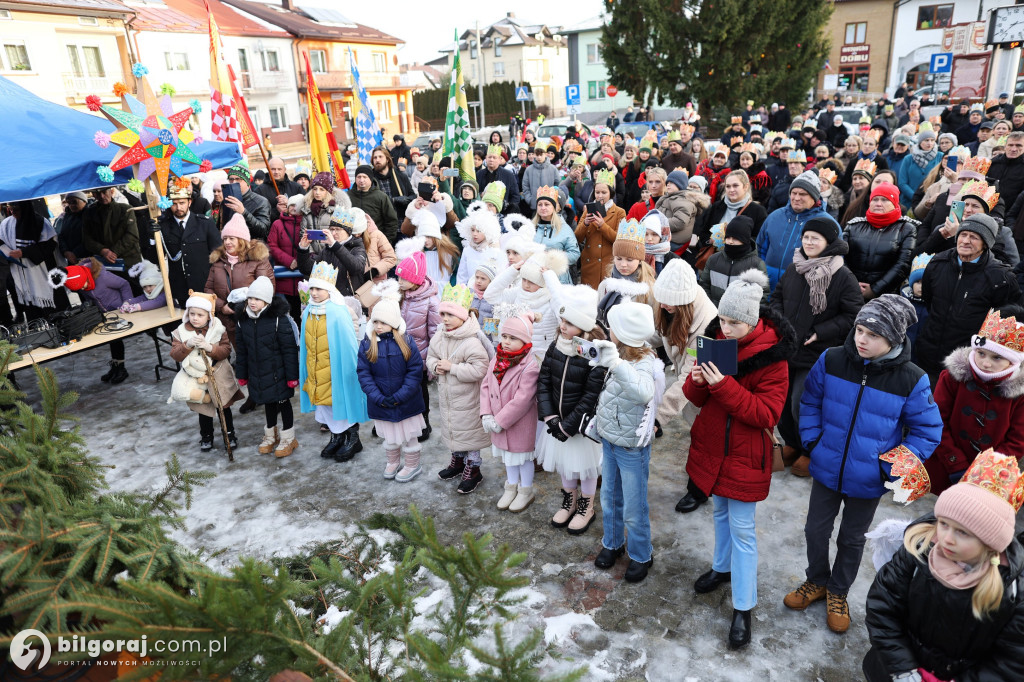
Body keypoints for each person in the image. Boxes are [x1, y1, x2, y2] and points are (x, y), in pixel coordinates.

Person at [786, 295, 942, 633]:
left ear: (894, 340)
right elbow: (809, 400)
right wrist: (813, 441)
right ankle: (817, 580)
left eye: (873, 334)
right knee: (815, 529)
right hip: (827, 468)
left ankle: (838, 591)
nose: (862, 339)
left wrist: (888, 467)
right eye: (860, 330)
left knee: (852, 539)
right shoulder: (831, 359)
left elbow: (928, 430)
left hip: (869, 479)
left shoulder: (911, 379)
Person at [684, 271, 792, 648]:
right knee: (718, 512)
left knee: (743, 529)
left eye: (733, 322)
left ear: (753, 320)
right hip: (714, 447)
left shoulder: (773, 358)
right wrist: (696, 381)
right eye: (722, 320)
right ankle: (721, 568)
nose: (724, 329)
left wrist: (723, 386)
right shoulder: (716, 340)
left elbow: (766, 415)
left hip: (746, 455)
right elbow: (697, 399)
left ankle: (743, 607)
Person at [863, 449, 1024, 682]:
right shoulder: (918, 552)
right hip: (893, 670)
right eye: (944, 524)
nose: (947, 538)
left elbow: (1011, 661)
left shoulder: (1011, 590)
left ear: (990, 541)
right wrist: (903, 669)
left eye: (962, 532)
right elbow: (882, 607)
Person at [768, 216, 862, 476]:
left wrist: (820, 333)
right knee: (783, 401)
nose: (808, 242)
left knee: (803, 403)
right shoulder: (795, 267)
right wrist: (779, 323)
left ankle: (811, 451)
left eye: (815, 238)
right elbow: (777, 297)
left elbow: (853, 315)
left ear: (829, 243)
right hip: (787, 346)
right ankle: (792, 443)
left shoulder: (842, 275)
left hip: (816, 352)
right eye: (806, 237)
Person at [591, 300, 662, 584]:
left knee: (634, 506)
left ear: (624, 333)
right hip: (609, 439)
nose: (608, 331)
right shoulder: (616, 353)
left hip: (631, 447)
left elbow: (643, 393)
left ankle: (641, 553)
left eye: (612, 328)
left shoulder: (645, 362)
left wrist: (617, 364)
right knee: (609, 497)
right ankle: (612, 542)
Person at [926, 307, 1024, 494]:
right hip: (945, 464)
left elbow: (1018, 440)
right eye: (981, 353)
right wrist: (956, 463)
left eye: (997, 357)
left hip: (988, 476)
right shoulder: (952, 377)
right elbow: (935, 422)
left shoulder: (1019, 393)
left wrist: (983, 473)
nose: (986, 363)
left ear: (1013, 361)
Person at [916, 212, 1022, 384]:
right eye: (963, 234)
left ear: (986, 243)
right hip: (927, 354)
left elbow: (1006, 321)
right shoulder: (937, 263)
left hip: (967, 364)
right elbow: (930, 302)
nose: (965, 241)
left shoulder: (1000, 278)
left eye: (973, 237)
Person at [536, 283, 607, 532]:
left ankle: (586, 506)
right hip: (558, 420)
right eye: (562, 320)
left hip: (580, 425)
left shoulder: (595, 354)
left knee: (585, 469)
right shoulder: (556, 344)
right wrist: (550, 416)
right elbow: (543, 381)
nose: (563, 326)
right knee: (565, 464)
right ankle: (569, 501)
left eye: (570, 322)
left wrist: (569, 425)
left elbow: (591, 396)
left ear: (585, 326)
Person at [649, 258, 719, 510]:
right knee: (698, 434)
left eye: (669, 301)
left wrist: (658, 417)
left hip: (708, 388)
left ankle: (699, 490)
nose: (664, 304)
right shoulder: (669, 307)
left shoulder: (706, 323)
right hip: (690, 382)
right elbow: (656, 334)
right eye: (662, 299)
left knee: (705, 438)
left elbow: (688, 378)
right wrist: (629, 337)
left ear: (685, 301)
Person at [357, 282, 427, 481]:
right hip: (381, 402)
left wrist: (400, 396)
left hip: (406, 401)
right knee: (390, 436)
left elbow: (414, 372)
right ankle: (393, 461)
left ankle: (413, 464)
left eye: (384, 322)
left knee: (409, 435)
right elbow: (363, 373)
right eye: (376, 321)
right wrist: (378, 397)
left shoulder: (407, 342)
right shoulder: (367, 344)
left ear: (394, 323)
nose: (379, 326)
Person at [428, 284, 494, 493]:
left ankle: (473, 468)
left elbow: (480, 369)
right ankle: (458, 460)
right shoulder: (440, 335)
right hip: (449, 398)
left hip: (468, 400)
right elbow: (430, 356)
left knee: (469, 433)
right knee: (453, 429)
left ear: (463, 316)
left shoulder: (471, 340)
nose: (445, 319)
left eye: (450, 314)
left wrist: (453, 368)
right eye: (443, 314)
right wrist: (434, 366)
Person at [300, 261, 367, 461]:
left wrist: (350, 369)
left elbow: (347, 343)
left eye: (319, 288)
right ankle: (337, 436)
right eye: (312, 288)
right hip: (316, 367)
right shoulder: (309, 311)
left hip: (335, 368)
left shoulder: (338, 311)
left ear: (329, 289)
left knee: (340, 401)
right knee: (324, 404)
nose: (314, 293)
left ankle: (352, 438)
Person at [232, 276, 300, 458]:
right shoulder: (243, 320)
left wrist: (293, 376)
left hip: (279, 373)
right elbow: (242, 351)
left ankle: (288, 437)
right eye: (251, 298)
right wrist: (242, 373)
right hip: (258, 373)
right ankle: (271, 435)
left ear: (267, 301)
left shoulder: (279, 320)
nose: (253, 302)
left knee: (283, 403)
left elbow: (289, 350)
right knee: (267, 403)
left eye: (258, 299)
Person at [481, 313, 542, 512]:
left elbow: (523, 399)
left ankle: (525, 490)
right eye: (504, 336)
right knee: (508, 458)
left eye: (513, 338)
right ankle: (511, 486)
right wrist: (487, 413)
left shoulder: (529, 365)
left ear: (525, 340)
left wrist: (500, 420)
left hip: (518, 423)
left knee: (521, 458)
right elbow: (486, 386)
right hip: (497, 420)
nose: (506, 342)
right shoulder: (497, 359)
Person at [168, 291, 242, 452]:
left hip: (218, 373)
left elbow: (225, 351)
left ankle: (229, 434)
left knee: (223, 406)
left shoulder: (218, 329)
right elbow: (175, 355)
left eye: (200, 315)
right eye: (192, 314)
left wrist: (210, 348)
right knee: (203, 408)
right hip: (197, 377)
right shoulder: (181, 332)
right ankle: (206, 435)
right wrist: (187, 345)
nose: (195, 318)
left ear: (208, 315)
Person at [50, 258, 133, 383]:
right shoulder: (81, 282)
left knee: (117, 339)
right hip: (105, 315)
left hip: (120, 310)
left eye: (84, 285)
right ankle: (116, 366)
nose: (84, 288)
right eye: (81, 288)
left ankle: (121, 368)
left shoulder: (103, 277)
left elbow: (124, 284)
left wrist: (128, 303)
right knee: (113, 339)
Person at [757, 170, 840, 291]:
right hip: (768, 287)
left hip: (802, 290)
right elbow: (760, 249)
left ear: (814, 196)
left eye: (803, 194)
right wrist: (763, 272)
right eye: (793, 193)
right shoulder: (774, 217)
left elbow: (834, 261)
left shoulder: (827, 223)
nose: (796, 198)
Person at [205, 214, 275, 349]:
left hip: (253, 319)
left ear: (242, 240)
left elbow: (268, 289)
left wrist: (248, 307)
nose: (227, 242)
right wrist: (221, 306)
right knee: (240, 354)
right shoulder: (217, 263)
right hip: (227, 321)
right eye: (225, 238)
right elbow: (208, 289)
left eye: (232, 238)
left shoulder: (257, 260)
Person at [395, 249, 439, 441]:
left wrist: (431, 359)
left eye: (403, 279)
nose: (400, 282)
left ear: (416, 280)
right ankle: (404, 419)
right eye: (398, 279)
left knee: (420, 390)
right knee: (401, 388)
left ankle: (424, 422)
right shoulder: (400, 296)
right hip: (399, 353)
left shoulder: (431, 302)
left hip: (420, 356)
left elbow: (435, 334)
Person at [844, 183, 916, 299]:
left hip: (886, 296)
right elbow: (840, 257)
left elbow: (903, 264)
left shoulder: (906, 228)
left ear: (894, 204)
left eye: (884, 200)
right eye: (875, 199)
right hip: (850, 291)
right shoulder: (853, 226)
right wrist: (852, 284)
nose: (878, 203)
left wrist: (875, 290)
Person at [1, 200, 69, 320]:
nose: (13, 213)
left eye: (16, 210)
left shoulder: (40, 222)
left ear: (25, 208)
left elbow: (49, 245)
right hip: (21, 273)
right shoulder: (6, 224)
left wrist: (24, 252)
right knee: (32, 309)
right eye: (10, 210)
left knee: (55, 308)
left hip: (44, 272)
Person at [159, 184, 221, 308]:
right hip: (179, 288)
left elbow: (218, 254)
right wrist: (151, 237)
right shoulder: (163, 226)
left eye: (182, 203)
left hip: (204, 285)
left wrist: (215, 283)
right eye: (174, 203)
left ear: (189, 202)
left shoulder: (205, 223)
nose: (178, 207)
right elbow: (154, 258)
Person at [297, 207, 368, 298]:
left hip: (349, 300)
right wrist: (303, 249)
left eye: (338, 229)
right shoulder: (327, 249)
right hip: (329, 300)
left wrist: (335, 246)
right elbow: (307, 269)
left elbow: (356, 268)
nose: (333, 233)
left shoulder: (357, 247)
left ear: (348, 232)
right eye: (332, 229)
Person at [575, 171, 626, 288]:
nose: (600, 196)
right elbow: (577, 238)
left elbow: (619, 240)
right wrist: (585, 223)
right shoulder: (588, 210)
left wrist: (603, 226)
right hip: (589, 265)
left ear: (611, 193)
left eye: (604, 192)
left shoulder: (619, 212)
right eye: (597, 192)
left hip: (608, 265)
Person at [82, 187, 142, 269]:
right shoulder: (89, 213)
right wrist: (102, 250)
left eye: (104, 192)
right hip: (103, 263)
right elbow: (87, 238)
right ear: (93, 195)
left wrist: (113, 252)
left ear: (111, 191)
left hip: (128, 261)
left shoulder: (125, 209)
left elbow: (132, 235)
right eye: (98, 194)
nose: (102, 196)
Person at [268, 194, 305, 324]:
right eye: (291, 205)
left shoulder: (307, 223)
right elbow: (272, 245)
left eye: (297, 205)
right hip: (283, 277)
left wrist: (302, 260)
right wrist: (289, 261)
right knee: (285, 318)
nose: (294, 208)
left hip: (303, 280)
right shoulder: (277, 224)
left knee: (302, 316)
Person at [656, 170, 711, 256]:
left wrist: (658, 223)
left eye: (672, 182)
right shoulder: (671, 197)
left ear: (680, 184)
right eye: (667, 182)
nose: (668, 185)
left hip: (673, 242)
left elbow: (680, 222)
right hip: (665, 236)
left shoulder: (682, 200)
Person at [532, 187, 580, 284]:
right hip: (534, 277)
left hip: (557, 279)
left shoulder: (564, 229)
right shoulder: (530, 227)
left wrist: (552, 258)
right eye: (540, 204)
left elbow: (575, 253)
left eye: (547, 204)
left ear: (554, 207)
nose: (543, 207)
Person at [350, 165, 399, 245]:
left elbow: (391, 221)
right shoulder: (348, 197)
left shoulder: (381, 197)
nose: (361, 180)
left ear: (371, 178)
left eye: (365, 177)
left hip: (375, 242)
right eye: (359, 177)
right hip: (352, 243)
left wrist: (384, 240)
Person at [455, 207, 504, 287]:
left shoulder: (494, 251)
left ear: (487, 231)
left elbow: (498, 276)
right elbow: (462, 274)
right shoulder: (467, 249)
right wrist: (460, 289)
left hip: (487, 293)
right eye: (472, 230)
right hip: (468, 293)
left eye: (479, 231)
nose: (474, 234)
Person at [223, 164, 272, 241]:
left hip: (252, 248)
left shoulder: (261, 202)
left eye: (238, 179)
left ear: (247, 182)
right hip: (231, 248)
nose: (234, 182)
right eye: (231, 179)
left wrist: (244, 212)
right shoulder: (226, 200)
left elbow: (263, 230)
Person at [255, 158, 303, 224]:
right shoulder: (259, 191)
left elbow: (306, 208)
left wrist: (289, 204)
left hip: (294, 229)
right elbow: (257, 215)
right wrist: (276, 211)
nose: (276, 172)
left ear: (285, 170)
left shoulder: (296, 187)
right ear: (267, 169)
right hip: (271, 231)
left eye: (279, 169)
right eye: (273, 169)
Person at [477, 144, 521, 213]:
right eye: (489, 157)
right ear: (486, 158)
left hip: (503, 214)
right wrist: (480, 195)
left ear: (500, 159)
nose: (491, 160)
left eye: (494, 158)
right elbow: (475, 193)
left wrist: (507, 209)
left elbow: (515, 196)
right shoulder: (479, 174)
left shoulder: (508, 175)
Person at [522, 145, 560, 212]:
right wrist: (530, 199)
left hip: (550, 204)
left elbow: (557, 185)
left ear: (545, 154)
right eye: (537, 155)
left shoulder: (553, 169)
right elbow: (525, 186)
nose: (539, 157)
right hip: (534, 205)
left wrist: (553, 198)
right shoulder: (529, 169)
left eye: (541, 155)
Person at [56, 191, 89, 264]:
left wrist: (74, 253)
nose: (71, 205)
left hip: (86, 258)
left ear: (84, 201)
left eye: (74, 202)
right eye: (69, 202)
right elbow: (61, 235)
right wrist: (66, 251)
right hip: (70, 258)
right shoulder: (67, 216)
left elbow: (90, 239)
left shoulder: (90, 215)